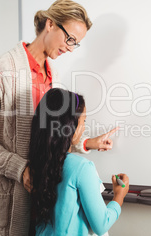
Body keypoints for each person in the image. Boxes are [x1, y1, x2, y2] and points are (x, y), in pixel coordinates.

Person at [0, 0, 117, 236]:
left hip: (41, 208)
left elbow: (51, 134)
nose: (70, 48)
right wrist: (20, 168)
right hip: (6, 203)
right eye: (70, 39)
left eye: (76, 44)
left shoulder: (53, 76)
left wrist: (86, 143)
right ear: (51, 24)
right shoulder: (3, 69)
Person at [29, 88, 129, 235]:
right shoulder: (82, 168)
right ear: (69, 125)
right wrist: (119, 196)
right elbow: (101, 225)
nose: (84, 127)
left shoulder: (37, 163)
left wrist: (89, 143)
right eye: (83, 121)